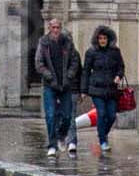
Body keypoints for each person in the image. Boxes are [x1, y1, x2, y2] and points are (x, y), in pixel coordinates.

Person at [34, 17, 81, 159]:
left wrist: (70, 75)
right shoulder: (43, 43)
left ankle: (61, 136)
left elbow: (75, 61)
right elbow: (39, 63)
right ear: (49, 28)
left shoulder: (67, 42)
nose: (55, 30)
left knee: (67, 116)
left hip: (65, 85)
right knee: (50, 115)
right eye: (53, 27)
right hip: (50, 85)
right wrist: (49, 76)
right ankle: (52, 145)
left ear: (60, 29)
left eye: (58, 28)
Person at [82, 25, 126, 154]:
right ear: (97, 39)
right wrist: (84, 90)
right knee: (101, 113)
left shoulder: (115, 51)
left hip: (112, 89)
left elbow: (121, 66)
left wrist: (118, 76)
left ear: (108, 39)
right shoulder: (91, 52)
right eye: (100, 38)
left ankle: (102, 134)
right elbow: (86, 71)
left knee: (111, 116)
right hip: (97, 89)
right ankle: (102, 140)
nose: (102, 41)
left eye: (104, 38)